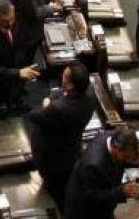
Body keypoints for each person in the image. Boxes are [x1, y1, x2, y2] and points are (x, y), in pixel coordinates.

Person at [27, 62, 95, 207]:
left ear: (70, 86)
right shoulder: (90, 93)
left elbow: (34, 116)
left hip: (51, 156)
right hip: (72, 147)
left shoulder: (58, 109)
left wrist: (47, 104)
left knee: (55, 189)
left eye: (64, 77)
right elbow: (60, 94)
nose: (61, 78)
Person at [0, 0, 41, 107]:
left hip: (9, 65)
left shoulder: (11, 18)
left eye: (12, 19)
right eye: (6, 21)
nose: (10, 23)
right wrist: (18, 73)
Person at [64, 126, 139, 219]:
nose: (128, 159)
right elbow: (92, 196)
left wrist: (136, 159)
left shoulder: (114, 137)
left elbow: (125, 157)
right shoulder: (93, 165)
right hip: (86, 210)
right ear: (116, 149)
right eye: (127, 156)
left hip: (100, 199)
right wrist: (122, 192)